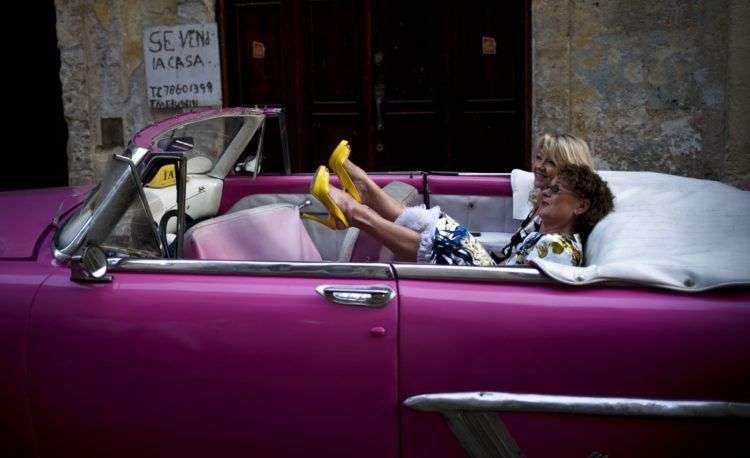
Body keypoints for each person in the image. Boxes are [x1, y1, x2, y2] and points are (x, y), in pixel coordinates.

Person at [303, 139, 613, 267]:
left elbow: (527, 293)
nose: (545, 184)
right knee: (441, 228)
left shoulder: (559, 245)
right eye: (539, 158)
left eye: (557, 189)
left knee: (449, 238)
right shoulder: (548, 220)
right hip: (497, 274)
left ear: (580, 205)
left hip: (493, 288)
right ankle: (365, 194)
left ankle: (356, 210)